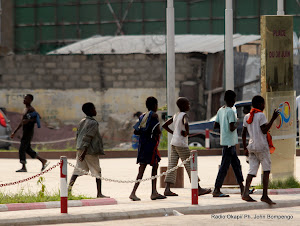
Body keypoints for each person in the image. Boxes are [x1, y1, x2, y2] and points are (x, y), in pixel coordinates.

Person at [163, 97, 211, 196]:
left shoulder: (176, 115)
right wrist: (186, 132)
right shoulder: (185, 115)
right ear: (184, 106)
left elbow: (165, 125)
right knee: (190, 165)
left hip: (174, 142)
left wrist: (174, 133)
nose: (189, 105)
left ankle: (167, 189)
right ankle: (198, 188)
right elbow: (186, 123)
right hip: (181, 144)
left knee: (172, 165)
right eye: (188, 104)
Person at [242, 95, 279, 204]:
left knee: (252, 170)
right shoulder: (261, 116)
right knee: (266, 170)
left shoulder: (247, 116)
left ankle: (245, 193)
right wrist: (273, 118)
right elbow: (264, 130)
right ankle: (264, 195)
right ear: (260, 104)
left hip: (251, 146)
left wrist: (244, 148)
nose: (264, 106)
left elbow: (243, 134)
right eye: (263, 104)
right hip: (262, 146)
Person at [68, 102, 108, 198]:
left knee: (77, 170)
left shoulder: (82, 121)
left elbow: (78, 135)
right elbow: (88, 137)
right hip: (89, 150)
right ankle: (99, 193)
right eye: (94, 109)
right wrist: (85, 151)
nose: (95, 111)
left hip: (80, 148)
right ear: (90, 110)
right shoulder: (93, 123)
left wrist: (80, 150)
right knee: (97, 171)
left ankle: (68, 191)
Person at [129, 97, 166, 201]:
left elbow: (136, 131)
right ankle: (153, 192)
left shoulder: (142, 116)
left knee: (142, 170)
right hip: (151, 145)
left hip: (143, 145)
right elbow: (157, 130)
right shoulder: (154, 116)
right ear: (155, 105)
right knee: (154, 166)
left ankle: (133, 192)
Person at [212, 90, 244, 197]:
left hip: (226, 142)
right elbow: (231, 128)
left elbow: (215, 125)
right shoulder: (230, 111)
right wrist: (237, 123)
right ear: (232, 100)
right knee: (225, 167)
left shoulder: (221, 110)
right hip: (230, 143)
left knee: (236, 165)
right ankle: (216, 189)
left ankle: (243, 188)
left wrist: (223, 126)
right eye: (234, 99)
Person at [10, 94, 49, 172]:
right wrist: (14, 132)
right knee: (27, 149)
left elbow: (37, 118)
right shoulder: (25, 109)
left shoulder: (31, 109)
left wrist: (28, 121)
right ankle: (42, 160)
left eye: (26, 98)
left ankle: (24, 167)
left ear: (30, 100)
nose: (24, 100)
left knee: (22, 149)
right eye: (24, 98)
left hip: (29, 132)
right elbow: (22, 122)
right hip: (25, 131)